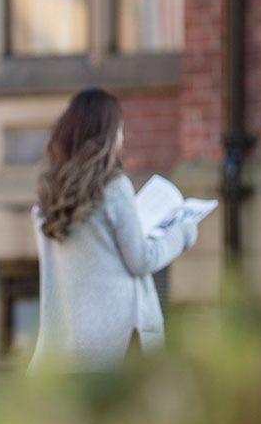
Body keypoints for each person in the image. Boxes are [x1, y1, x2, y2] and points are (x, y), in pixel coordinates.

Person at [30, 88, 197, 373]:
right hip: (118, 345)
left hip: (67, 349)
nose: (123, 137)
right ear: (107, 134)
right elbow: (141, 259)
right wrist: (183, 233)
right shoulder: (114, 188)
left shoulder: (48, 198)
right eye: (120, 129)